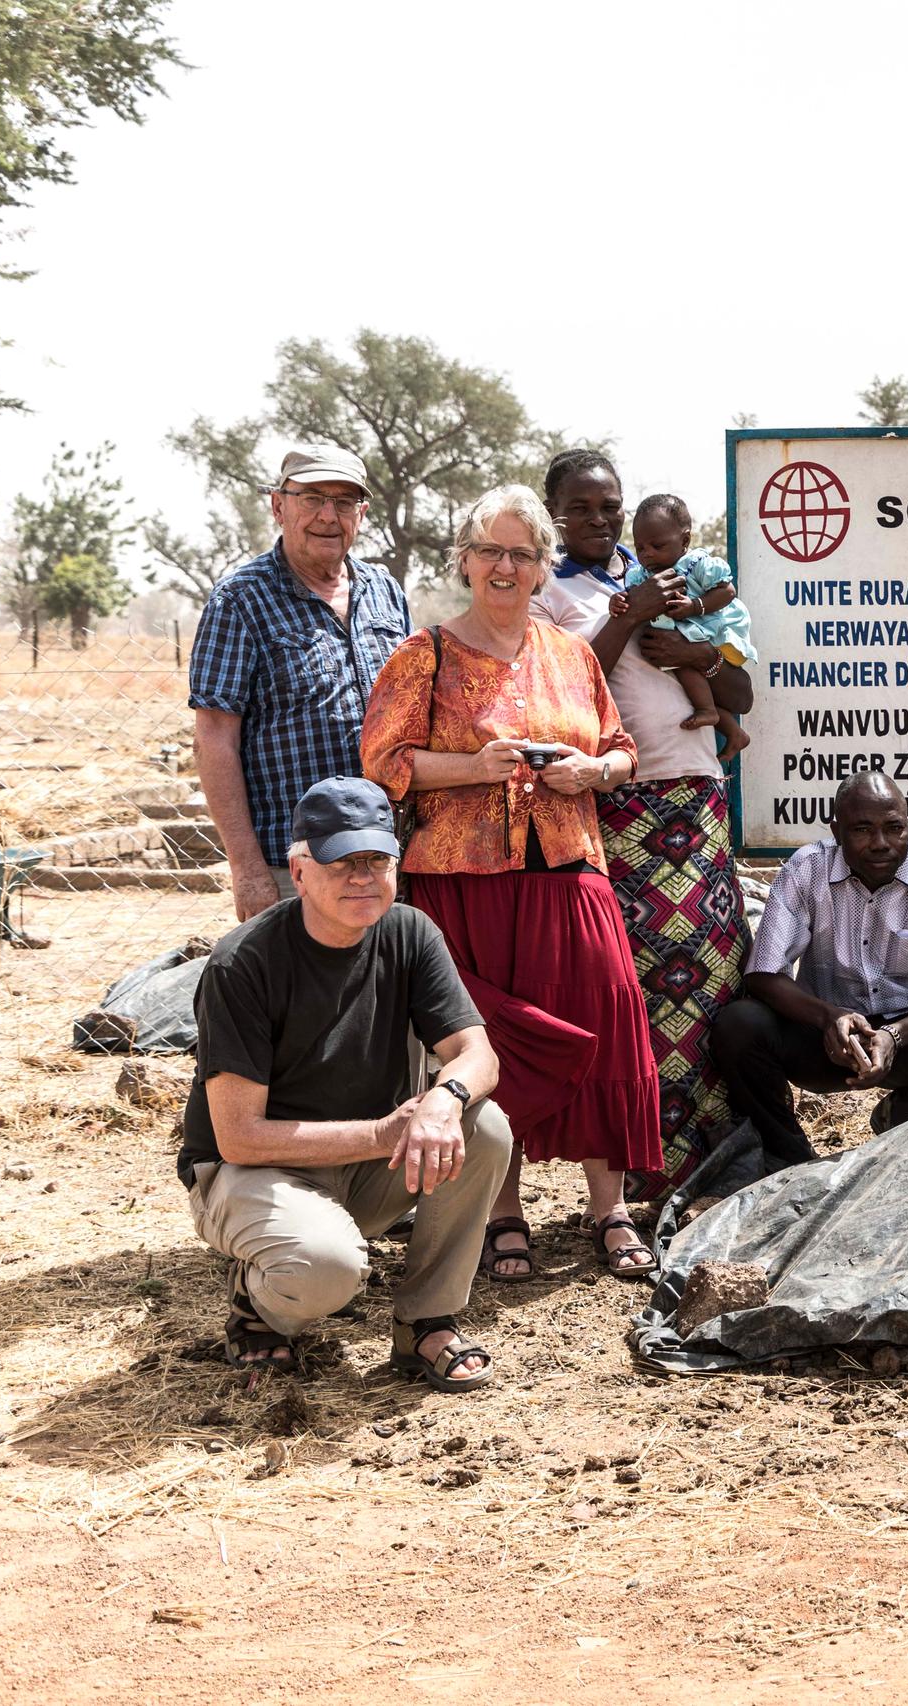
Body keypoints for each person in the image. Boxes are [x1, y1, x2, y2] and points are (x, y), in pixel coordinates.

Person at [360, 484, 661, 1283]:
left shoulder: (570, 654)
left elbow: (623, 747)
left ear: (541, 568)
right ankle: (501, 1212)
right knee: (486, 1043)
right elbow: (384, 763)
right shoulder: (423, 655)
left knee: (605, 1016)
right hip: (463, 886)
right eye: (489, 550)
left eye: (520, 553)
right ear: (464, 560)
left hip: (569, 872)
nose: (503, 565)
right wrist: (470, 768)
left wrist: (593, 769)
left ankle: (610, 1207)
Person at [179, 777, 507, 1391]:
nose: (362, 877)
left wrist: (445, 1098)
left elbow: (478, 1054)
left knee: (483, 1125)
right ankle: (259, 1305)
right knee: (324, 1271)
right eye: (341, 862)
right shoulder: (243, 963)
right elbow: (240, 1139)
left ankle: (425, 1322)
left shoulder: (409, 931)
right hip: (253, 1172)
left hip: (366, 1161)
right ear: (299, 871)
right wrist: (385, 1133)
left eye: (375, 860)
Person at [531, 451, 755, 1203]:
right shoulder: (549, 591)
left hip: (697, 794)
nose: (599, 521)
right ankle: (645, 1159)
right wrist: (630, 616)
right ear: (553, 511)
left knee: (713, 975)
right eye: (582, 508)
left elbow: (741, 690)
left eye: (610, 508)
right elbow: (567, 688)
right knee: (641, 986)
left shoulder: (668, 566)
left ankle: (720, 1151)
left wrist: (694, 648)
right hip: (621, 805)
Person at [712, 771, 908, 1156]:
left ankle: (901, 1131)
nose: (881, 843)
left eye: (894, 828)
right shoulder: (806, 868)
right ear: (836, 831)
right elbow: (764, 973)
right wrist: (827, 1017)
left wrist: (894, 1036)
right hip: (826, 1036)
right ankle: (788, 1158)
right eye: (863, 830)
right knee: (739, 1024)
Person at [189, 444, 410, 923]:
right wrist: (247, 868)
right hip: (294, 861)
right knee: (300, 994)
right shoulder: (241, 599)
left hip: (383, 854)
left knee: (383, 991)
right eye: (311, 498)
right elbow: (214, 739)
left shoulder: (385, 592)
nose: (328, 516)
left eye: (344, 502)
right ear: (278, 506)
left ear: (362, 513)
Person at [620, 492, 752, 759]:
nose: (647, 555)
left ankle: (714, 716)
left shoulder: (696, 565)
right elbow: (630, 598)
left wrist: (695, 606)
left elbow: (727, 590)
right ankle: (731, 729)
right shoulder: (641, 575)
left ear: (685, 540)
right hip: (679, 637)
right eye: (640, 548)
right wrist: (619, 601)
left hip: (710, 629)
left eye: (657, 546)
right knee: (683, 675)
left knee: (685, 667)